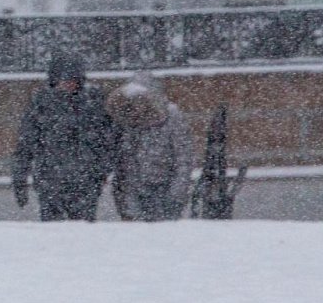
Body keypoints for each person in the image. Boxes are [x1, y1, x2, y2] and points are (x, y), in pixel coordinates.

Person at [11, 51, 116, 221]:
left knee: (82, 232)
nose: (67, 83)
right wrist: (19, 182)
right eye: (63, 78)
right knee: (53, 233)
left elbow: (109, 142)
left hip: (85, 182)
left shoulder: (95, 104)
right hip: (50, 182)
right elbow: (25, 146)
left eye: (72, 79)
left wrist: (100, 171)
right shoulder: (41, 105)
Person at [105, 72, 194, 221]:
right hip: (132, 192)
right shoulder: (123, 118)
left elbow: (183, 158)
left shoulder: (172, 117)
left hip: (164, 188)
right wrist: (125, 201)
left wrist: (176, 195)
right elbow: (121, 164)